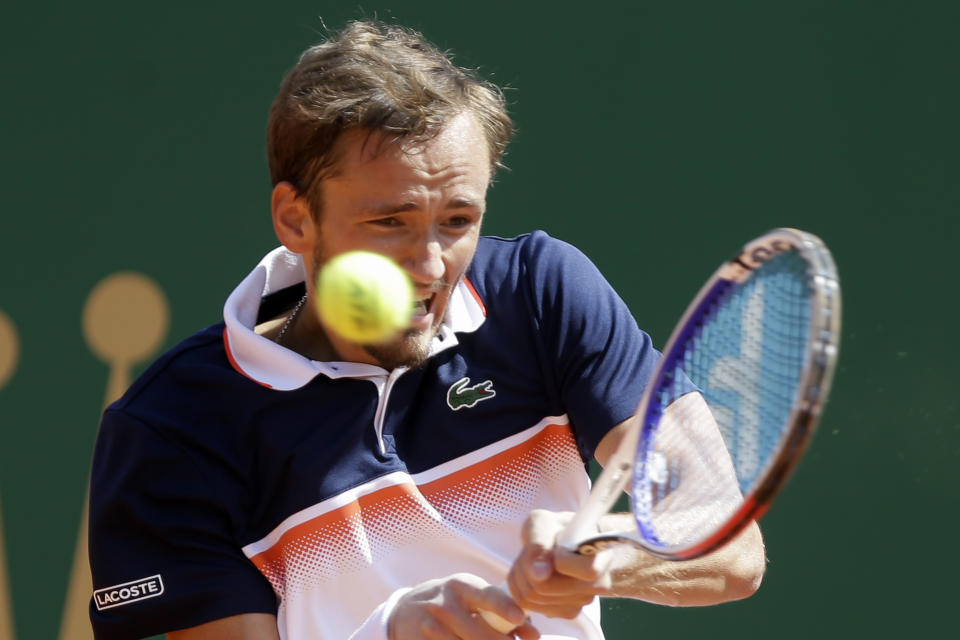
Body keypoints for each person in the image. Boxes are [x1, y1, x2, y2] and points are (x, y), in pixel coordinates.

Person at [87, 20, 765, 640]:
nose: (431, 265)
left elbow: (733, 551)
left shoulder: (541, 294)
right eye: (391, 222)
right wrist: (389, 634)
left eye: (458, 220)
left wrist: (603, 559)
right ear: (297, 220)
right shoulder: (175, 427)